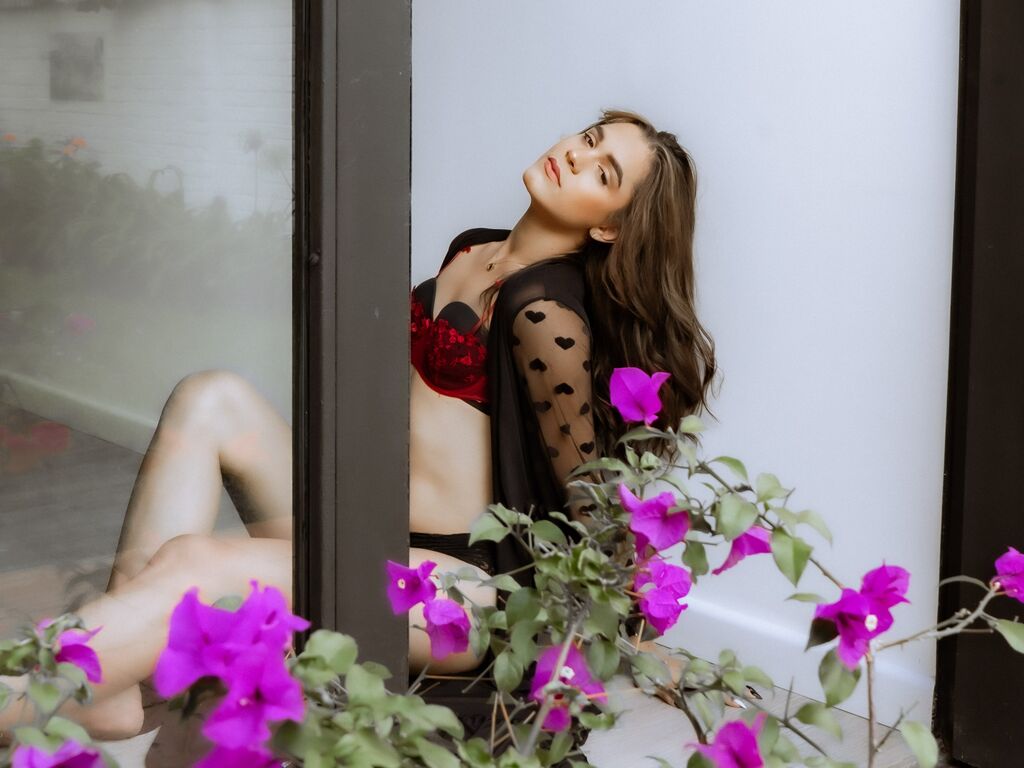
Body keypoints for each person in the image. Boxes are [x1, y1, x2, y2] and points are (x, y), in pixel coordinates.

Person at [0, 109, 715, 742]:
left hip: (451, 584)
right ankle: (112, 685)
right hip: (362, 525)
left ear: (607, 226)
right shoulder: (474, 249)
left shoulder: (544, 310)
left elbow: (588, 493)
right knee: (209, 397)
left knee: (196, 561)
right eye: (588, 139)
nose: (576, 156)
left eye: (603, 172)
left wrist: (623, 628)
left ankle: (30, 688)